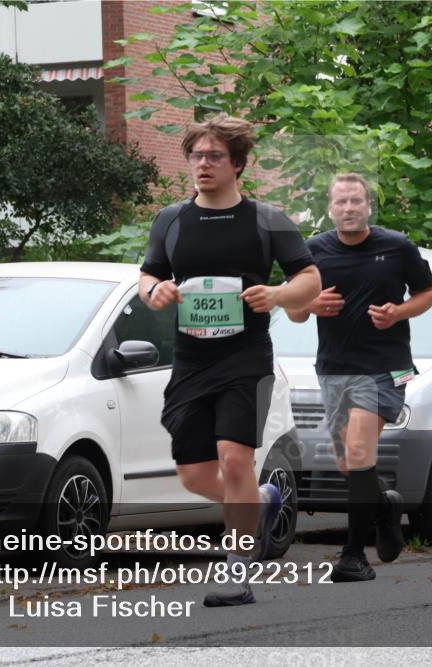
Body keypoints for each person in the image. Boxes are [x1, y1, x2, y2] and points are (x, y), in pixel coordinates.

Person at [139, 115, 321, 606]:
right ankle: (258, 501)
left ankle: (237, 569)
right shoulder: (171, 219)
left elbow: (310, 280)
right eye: (196, 155)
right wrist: (155, 292)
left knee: (235, 458)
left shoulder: (267, 219)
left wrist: (277, 293)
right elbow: (148, 275)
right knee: (195, 475)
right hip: (191, 360)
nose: (203, 164)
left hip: (246, 357)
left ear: (237, 163)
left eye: (214, 156)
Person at [286, 173, 432, 582]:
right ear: (330, 208)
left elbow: (427, 293)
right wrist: (311, 305)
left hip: (386, 366)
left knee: (356, 450)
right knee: (348, 462)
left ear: (369, 205)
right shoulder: (313, 252)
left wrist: (397, 313)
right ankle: (385, 505)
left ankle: (354, 557)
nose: (349, 208)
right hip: (335, 368)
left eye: (356, 201)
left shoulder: (397, 246)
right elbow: (293, 311)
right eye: (341, 202)